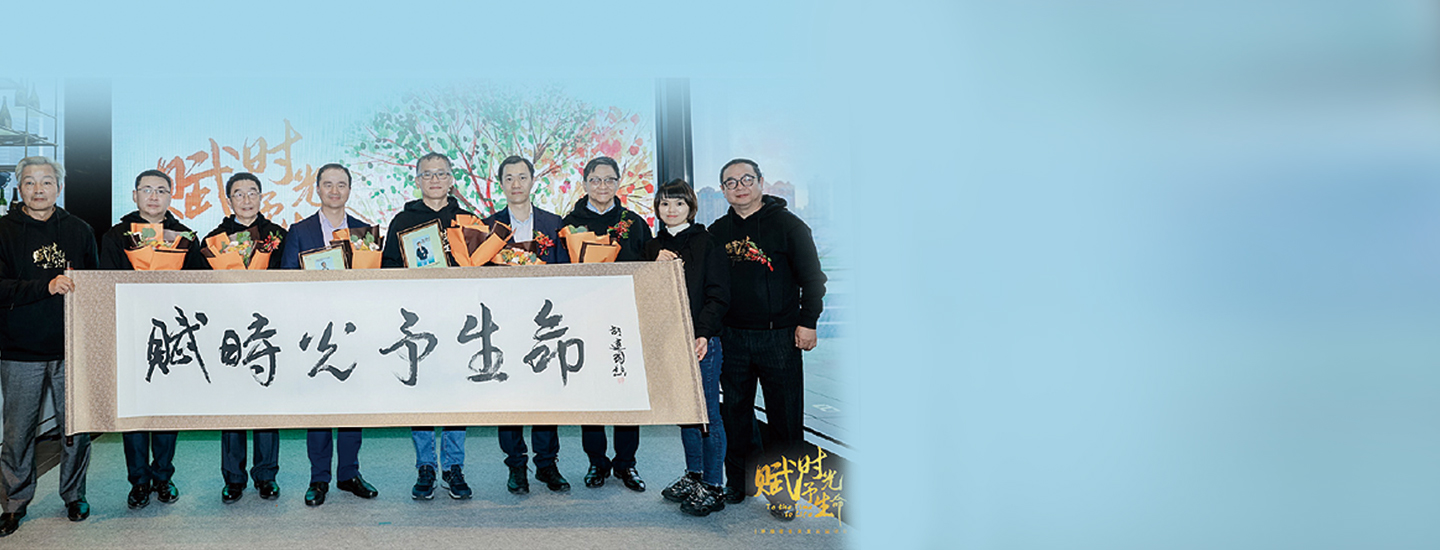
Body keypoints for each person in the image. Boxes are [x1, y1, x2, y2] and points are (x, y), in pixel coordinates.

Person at [707, 158, 826, 521]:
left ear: (761, 182)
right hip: (732, 337)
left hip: (780, 338)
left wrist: (808, 322)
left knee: (784, 419)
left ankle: (784, 493)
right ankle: (739, 482)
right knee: (735, 414)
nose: (739, 187)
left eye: (746, 179)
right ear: (724, 191)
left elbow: (813, 279)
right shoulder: (717, 231)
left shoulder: (789, 226)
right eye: (731, 182)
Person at [99, 169, 207, 511]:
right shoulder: (116, 236)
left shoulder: (185, 236)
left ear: (171, 196)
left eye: (161, 190)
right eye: (146, 189)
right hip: (131, 332)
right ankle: (139, 481)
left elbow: (199, 284)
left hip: (172, 336)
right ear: (134, 195)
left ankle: (163, 475)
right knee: (135, 409)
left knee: (165, 407)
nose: (154, 196)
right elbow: (107, 283)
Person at [0, 157, 97, 536]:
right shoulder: (4, 230)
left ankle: (74, 495)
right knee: (17, 434)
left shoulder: (79, 230)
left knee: (76, 429)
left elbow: (94, 286)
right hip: (19, 349)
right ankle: (13, 503)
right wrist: (46, 285)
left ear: (60, 187)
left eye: (46, 182)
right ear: (19, 188)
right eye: (29, 182)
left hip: (71, 348)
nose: (38, 189)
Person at [279, 162, 380, 506]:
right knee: (319, 407)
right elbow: (287, 279)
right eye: (328, 184)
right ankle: (318, 478)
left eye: (341, 185)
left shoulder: (365, 232)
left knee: (352, 406)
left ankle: (349, 473)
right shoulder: (300, 230)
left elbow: (375, 281)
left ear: (349, 190)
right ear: (317, 189)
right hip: (314, 331)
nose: (334, 191)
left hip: (354, 329)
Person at [380, 152, 474, 500]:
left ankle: (453, 466)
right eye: (427, 174)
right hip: (417, 321)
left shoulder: (468, 220)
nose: (435, 180)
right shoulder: (403, 220)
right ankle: (426, 466)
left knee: (456, 393)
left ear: (451, 179)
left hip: (458, 320)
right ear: (417, 180)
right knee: (420, 391)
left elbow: (483, 268)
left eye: (441, 174)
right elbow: (388, 267)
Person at [561, 156, 653, 491]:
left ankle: (627, 464)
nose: (603, 186)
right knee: (593, 395)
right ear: (585, 183)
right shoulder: (569, 225)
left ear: (618, 182)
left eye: (609, 180)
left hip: (626, 319)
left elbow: (648, 271)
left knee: (627, 393)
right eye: (596, 180)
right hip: (585, 321)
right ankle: (596, 462)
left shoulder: (635, 223)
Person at [481, 156, 571, 495]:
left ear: (533, 181)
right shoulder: (487, 226)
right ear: (501, 184)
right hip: (504, 322)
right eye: (509, 178)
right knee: (509, 395)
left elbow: (565, 270)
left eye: (522, 177)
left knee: (546, 394)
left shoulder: (553, 223)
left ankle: (547, 464)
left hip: (546, 322)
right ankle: (516, 465)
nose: (516, 184)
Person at [645, 179, 730, 516]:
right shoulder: (653, 246)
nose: (672, 209)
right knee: (685, 413)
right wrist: (653, 260)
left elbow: (718, 295)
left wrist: (704, 334)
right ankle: (694, 475)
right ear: (657, 208)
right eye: (665, 203)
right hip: (669, 342)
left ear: (691, 208)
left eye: (679, 203)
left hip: (701, 342)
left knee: (708, 413)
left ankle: (714, 485)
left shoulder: (707, 242)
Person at [204, 172, 286, 503]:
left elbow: (290, 279)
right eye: (239, 194)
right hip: (229, 331)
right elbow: (201, 287)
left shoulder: (278, 235)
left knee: (266, 402)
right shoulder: (213, 239)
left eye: (253, 192)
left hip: (268, 329)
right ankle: (234, 478)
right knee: (233, 404)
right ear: (229, 200)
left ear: (261, 197)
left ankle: (266, 475)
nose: (246, 199)